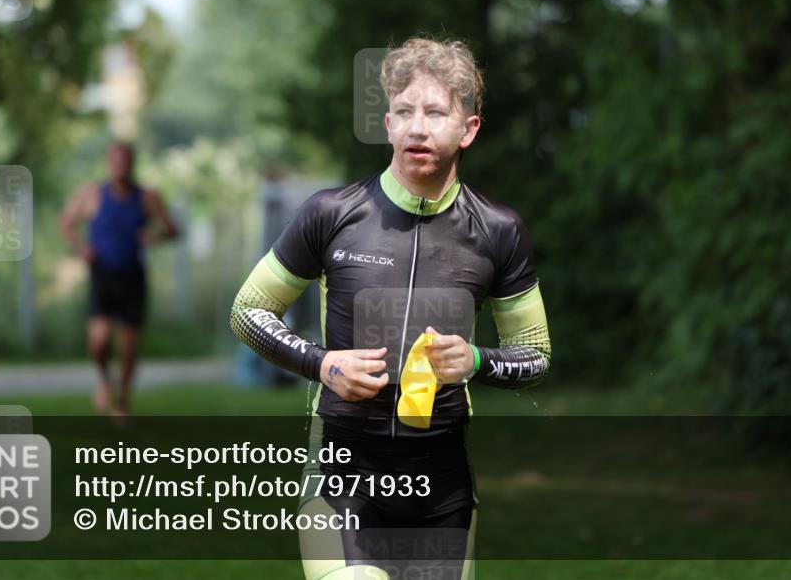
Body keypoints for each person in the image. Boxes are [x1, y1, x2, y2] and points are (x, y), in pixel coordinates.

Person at [230, 37, 551, 579]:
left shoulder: (498, 231)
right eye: (403, 112)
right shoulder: (332, 214)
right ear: (387, 124)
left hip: (442, 486)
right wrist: (322, 364)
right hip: (343, 472)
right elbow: (249, 311)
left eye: (434, 112)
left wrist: (474, 361)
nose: (417, 128)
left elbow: (536, 355)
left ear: (468, 129)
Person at [60, 141, 178, 417]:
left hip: (133, 277)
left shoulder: (147, 197)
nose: (120, 166)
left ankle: (122, 401)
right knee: (98, 341)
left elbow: (172, 230)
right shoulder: (91, 194)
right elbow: (66, 222)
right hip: (102, 275)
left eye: (125, 161)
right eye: (116, 161)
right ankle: (105, 380)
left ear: (132, 164)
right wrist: (81, 248)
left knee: (128, 347)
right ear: (108, 163)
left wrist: (155, 236)